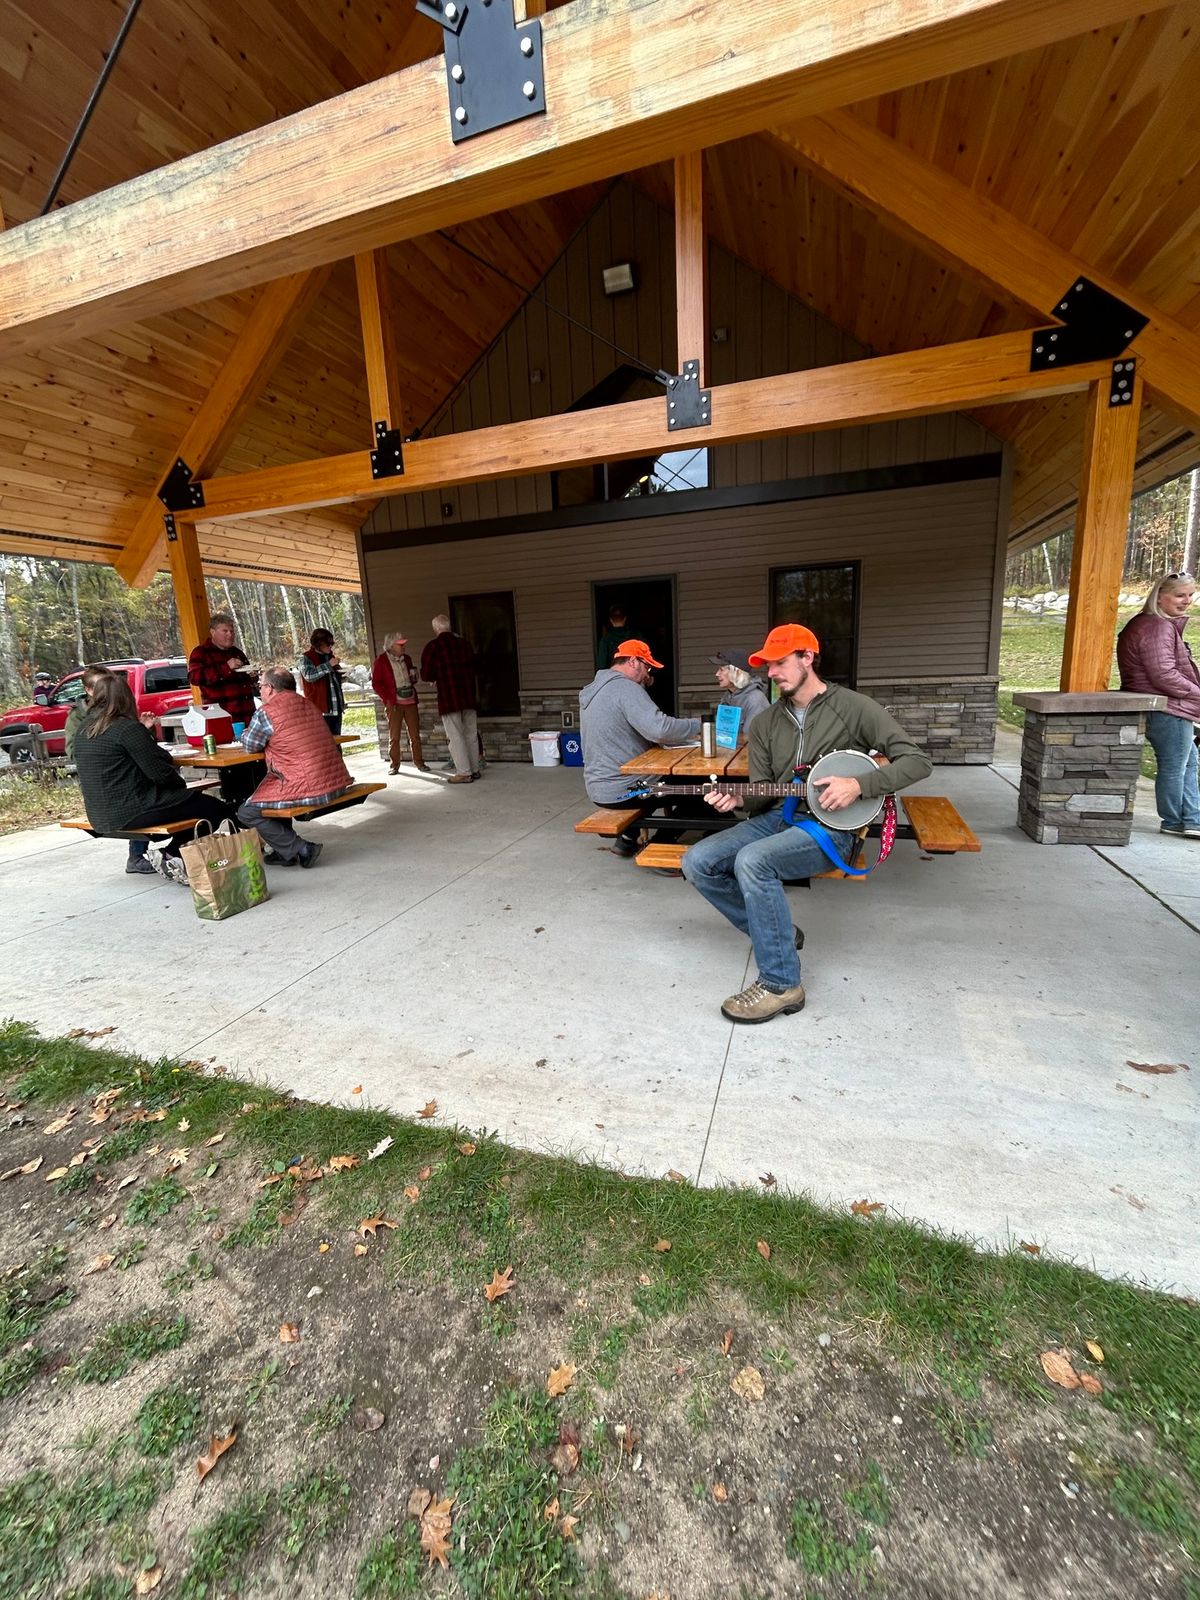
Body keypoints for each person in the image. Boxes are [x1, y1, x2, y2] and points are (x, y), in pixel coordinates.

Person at [682, 624, 932, 1024]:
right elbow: (763, 792)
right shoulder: (764, 723)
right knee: (697, 861)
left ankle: (782, 984)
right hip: (776, 819)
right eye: (767, 666)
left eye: (780, 663)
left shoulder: (853, 708)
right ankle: (778, 934)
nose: (772, 673)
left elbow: (917, 762)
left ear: (807, 658)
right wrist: (738, 798)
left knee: (753, 861)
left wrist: (858, 784)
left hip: (833, 827)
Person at [73, 673, 235, 884]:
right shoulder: (126, 728)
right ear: (127, 698)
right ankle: (171, 854)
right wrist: (182, 789)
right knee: (214, 809)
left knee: (193, 805)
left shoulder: (84, 729)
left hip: (100, 813)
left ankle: (174, 856)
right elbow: (160, 772)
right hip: (132, 809)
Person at [579, 639, 701, 857]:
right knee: (701, 789)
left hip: (599, 787)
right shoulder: (625, 688)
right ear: (634, 661)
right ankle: (659, 848)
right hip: (626, 790)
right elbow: (660, 729)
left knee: (666, 782)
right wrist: (699, 724)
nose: (648, 674)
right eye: (647, 667)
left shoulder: (597, 689)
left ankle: (627, 840)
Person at [235, 666, 352, 867]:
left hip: (308, 785)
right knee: (270, 796)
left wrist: (242, 734)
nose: (259, 690)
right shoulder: (308, 704)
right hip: (334, 780)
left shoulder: (267, 712)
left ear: (270, 688)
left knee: (247, 811)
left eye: (260, 686)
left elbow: (250, 745)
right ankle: (285, 851)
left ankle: (301, 848)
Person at [1117, 572, 1200, 838]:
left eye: (1190, 594)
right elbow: (1163, 674)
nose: (1186, 601)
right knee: (1176, 765)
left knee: (1188, 763)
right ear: (1160, 596)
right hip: (1166, 707)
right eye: (1179, 595)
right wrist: (1198, 694)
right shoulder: (1157, 627)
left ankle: (1191, 819)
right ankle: (1176, 820)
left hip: (1160, 705)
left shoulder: (1147, 623)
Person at [66, 666, 159, 875]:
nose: (108, 690)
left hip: (129, 774)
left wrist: (146, 730)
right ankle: (137, 856)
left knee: (146, 788)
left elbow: (136, 745)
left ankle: (158, 852)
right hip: (105, 782)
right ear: (90, 690)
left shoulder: (120, 710)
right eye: (101, 686)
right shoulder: (78, 717)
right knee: (136, 796)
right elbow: (74, 750)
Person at [420, 615, 480, 784]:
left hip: (449, 697)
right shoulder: (464, 644)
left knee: (456, 736)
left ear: (435, 629)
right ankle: (475, 769)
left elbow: (426, 674)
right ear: (449, 627)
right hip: (468, 696)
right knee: (471, 734)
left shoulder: (433, 647)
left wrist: (435, 677)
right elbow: (475, 666)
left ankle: (464, 772)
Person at [371, 631, 426, 773]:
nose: (404, 646)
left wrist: (414, 677)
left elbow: (413, 677)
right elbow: (376, 683)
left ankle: (419, 762)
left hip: (410, 700)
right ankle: (394, 765)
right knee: (394, 736)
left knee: (415, 734)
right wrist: (387, 699)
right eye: (400, 644)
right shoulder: (381, 660)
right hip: (394, 703)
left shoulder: (407, 658)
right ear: (390, 646)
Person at [298, 628, 346, 736]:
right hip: (319, 709)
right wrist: (329, 665)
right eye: (328, 644)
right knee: (324, 741)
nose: (330, 646)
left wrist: (342, 674)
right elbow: (309, 676)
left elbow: (333, 679)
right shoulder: (306, 658)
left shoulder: (330, 657)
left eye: (332, 644)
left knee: (337, 741)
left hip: (336, 707)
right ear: (319, 643)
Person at [711, 647, 771, 733]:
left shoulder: (755, 700)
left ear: (737, 672)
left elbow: (750, 740)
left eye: (721, 670)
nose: (717, 674)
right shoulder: (728, 696)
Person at [595, 606, 630, 671]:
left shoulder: (605, 640)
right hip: (632, 677)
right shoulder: (635, 636)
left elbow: (602, 665)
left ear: (610, 620)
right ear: (625, 618)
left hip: (614, 676)